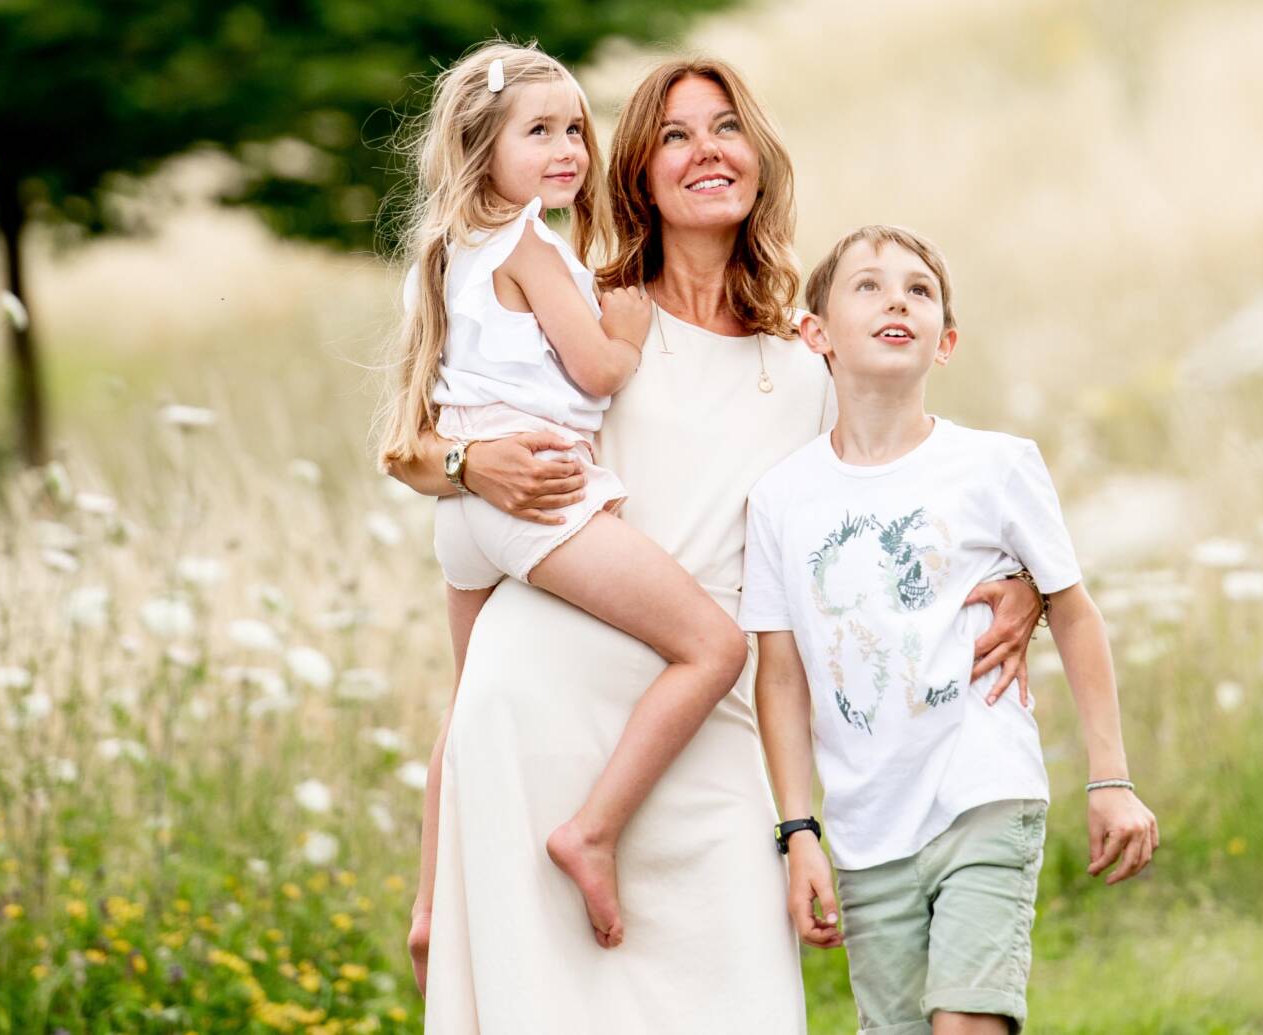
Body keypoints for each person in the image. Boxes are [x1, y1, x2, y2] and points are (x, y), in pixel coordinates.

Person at [383, 58, 1045, 1033]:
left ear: (760, 158)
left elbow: (911, 492)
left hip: (716, 735)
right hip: (544, 726)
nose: (706, 152)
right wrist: (434, 882)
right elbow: (461, 545)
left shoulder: (806, 361)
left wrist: (1020, 576)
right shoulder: (592, 325)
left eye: (725, 127)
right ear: (639, 172)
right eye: (675, 134)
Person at [374, 40, 746, 949]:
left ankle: (430, 910)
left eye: (575, 127)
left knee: (465, 713)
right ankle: (593, 827)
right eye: (538, 132)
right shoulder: (531, 245)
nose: (568, 149)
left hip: (464, 521)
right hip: (533, 499)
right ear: (481, 150)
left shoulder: (453, 251)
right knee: (713, 646)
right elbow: (596, 368)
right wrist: (624, 331)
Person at [745, 225, 1159, 1035]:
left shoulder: (996, 464)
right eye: (867, 284)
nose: (896, 297)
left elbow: (1072, 611)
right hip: (867, 830)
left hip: (984, 792)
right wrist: (800, 832)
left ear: (947, 340)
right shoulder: (781, 498)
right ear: (815, 333)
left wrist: (1110, 777)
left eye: (919, 289)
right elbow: (781, 671)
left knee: (967, 1024)